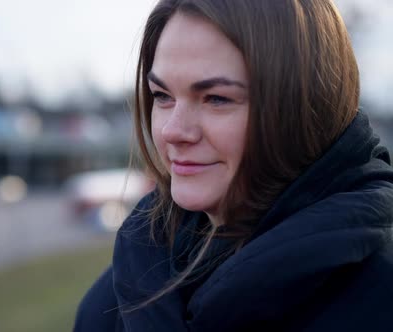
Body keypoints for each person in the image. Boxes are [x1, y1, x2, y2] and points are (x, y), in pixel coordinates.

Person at [74, 0, 393, 331]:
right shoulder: (114, 299)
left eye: (217, 99)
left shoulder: (378, 300)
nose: (172, 131)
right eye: (162, 95)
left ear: (304, 109)